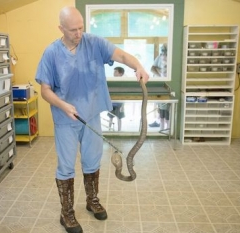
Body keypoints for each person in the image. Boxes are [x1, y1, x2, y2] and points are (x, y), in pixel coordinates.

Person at [35, 6, 149, 233]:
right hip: (66, 117)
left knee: (92, 161)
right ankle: (66, 213)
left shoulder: (94, 43)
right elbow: (45, 89)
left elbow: (122, 55)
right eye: (73, 30)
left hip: (91, 114)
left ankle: (92, 201)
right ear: (61, 28)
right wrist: (62, 104)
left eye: (81, 28)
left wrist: (138, 66)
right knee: (66, 166)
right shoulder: (51, 53)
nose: (79, 33)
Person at [149, 44, 169, 128]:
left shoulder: (171, 58)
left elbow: (167, 72)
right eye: (163, 50)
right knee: (160, 107)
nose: (163, 52)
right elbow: (152, 69)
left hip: (167, 85)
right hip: (159, 85)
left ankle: (167, 127)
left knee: (167, 110)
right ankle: (159, 123)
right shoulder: (159, 57)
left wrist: (161, 71)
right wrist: (160, 74)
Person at [108, 67, 125, 131]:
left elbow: (124, 95)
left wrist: (123, 105)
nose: (114, 73)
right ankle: (109, 129)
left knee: (119, 118)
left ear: (120, 73)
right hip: (112, 103)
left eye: (115, 72)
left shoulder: (123, 82)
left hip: (119, 103)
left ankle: (119, 130)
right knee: (110, 117)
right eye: (114, 71)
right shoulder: (112, 81)